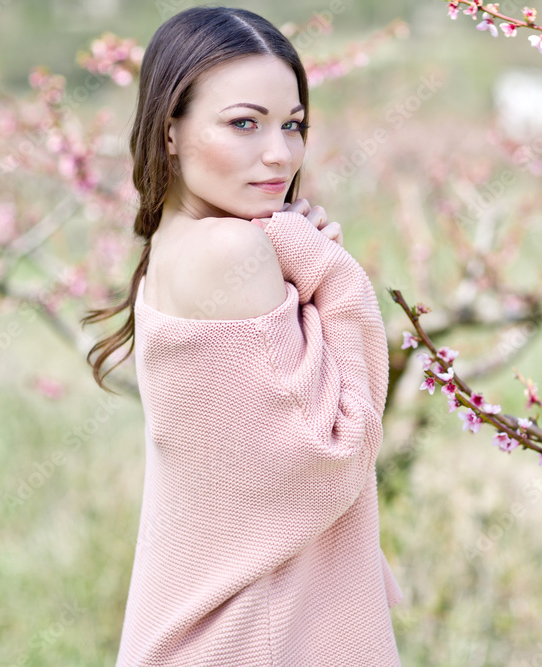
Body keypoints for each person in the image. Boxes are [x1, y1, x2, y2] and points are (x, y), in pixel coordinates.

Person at [80, 6, 403, 665]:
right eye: (244, 124)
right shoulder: (235, 251)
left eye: (294, 125)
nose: (279, 153)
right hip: (255, 636)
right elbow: (339, 449)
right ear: (170, 131)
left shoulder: (174, 246)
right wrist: (328, 269)